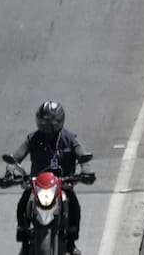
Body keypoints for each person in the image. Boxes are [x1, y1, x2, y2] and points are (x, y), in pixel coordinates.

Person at [8, 100, 94, 254]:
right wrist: (9, 171)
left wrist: (86, 171)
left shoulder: (70, 139)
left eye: (51, 123)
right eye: (43, 122)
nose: (46, 127)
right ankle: (25, 240)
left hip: (63, 183)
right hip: (38, 183)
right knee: (23, 203)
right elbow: (16, 156)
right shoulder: (33, 138)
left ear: (59, 121)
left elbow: (82, 155)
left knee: (74, 205)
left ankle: (71, 242)